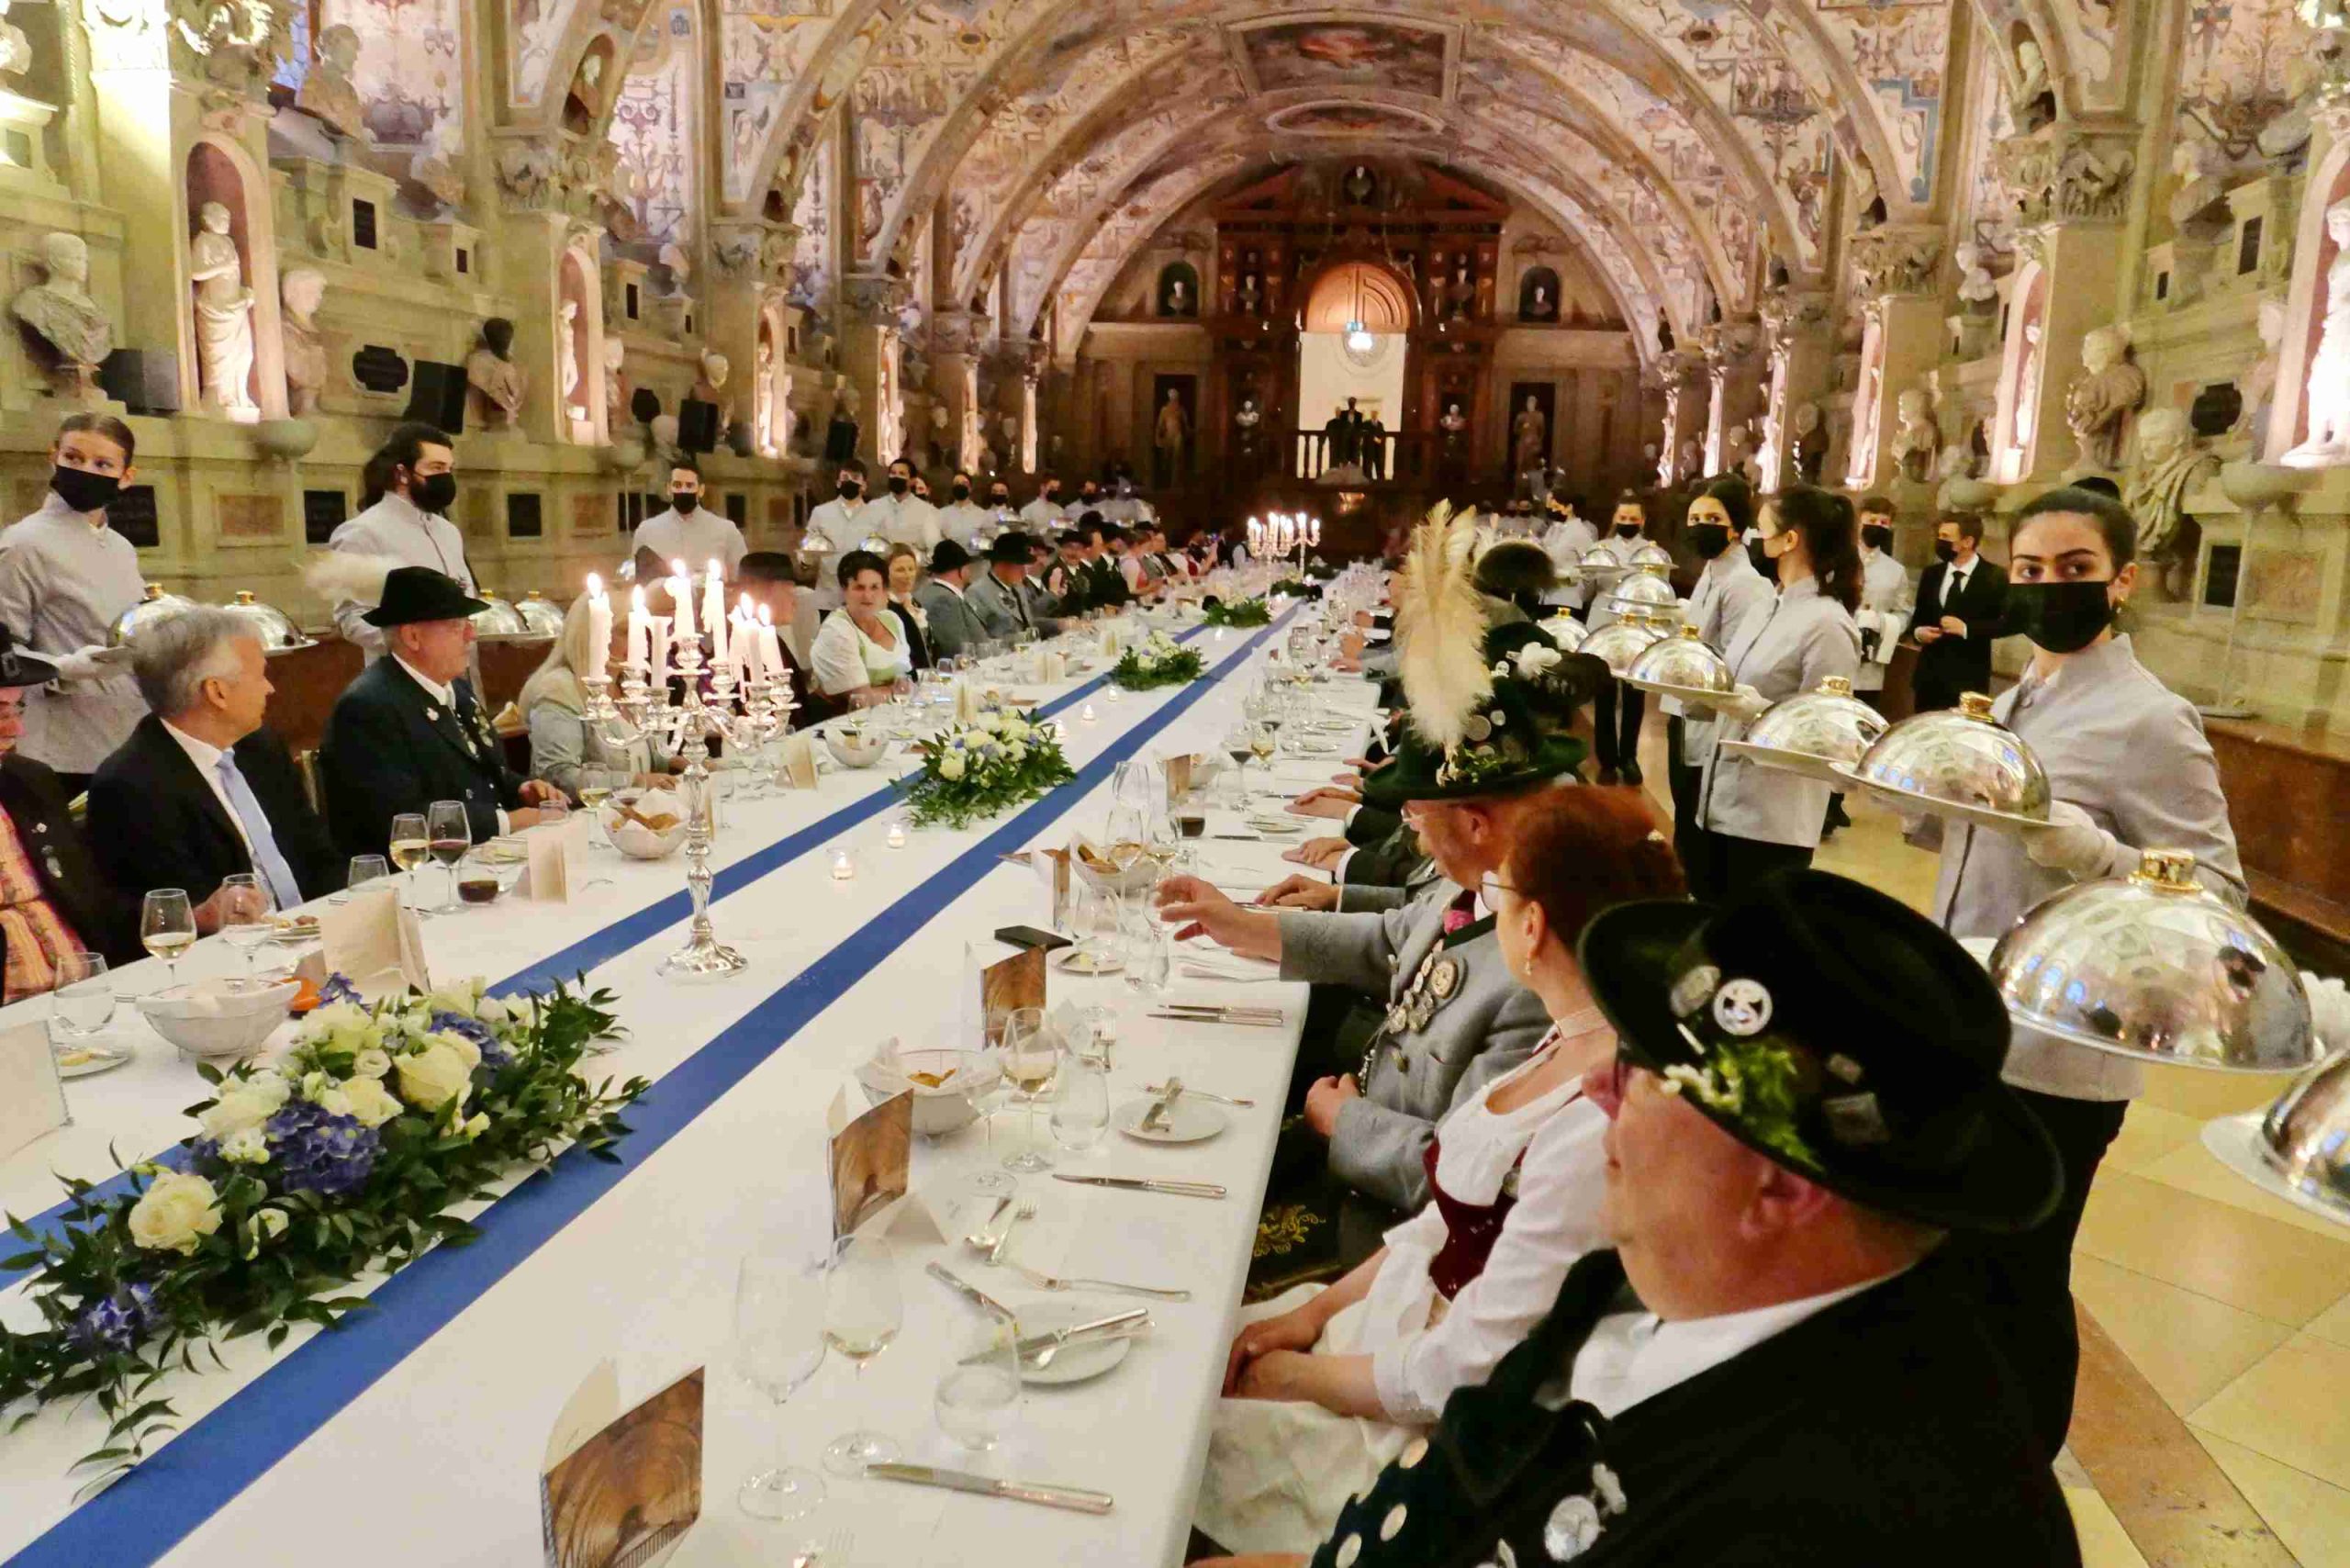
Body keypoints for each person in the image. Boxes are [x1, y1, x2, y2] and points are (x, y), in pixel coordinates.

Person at [1217, 873, 2080, 1568]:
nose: (1597, 1087)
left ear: (1782, 1189)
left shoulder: (1877, 1516)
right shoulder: (1643, 1278)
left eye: (1642, 1070)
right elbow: (1469, 1479)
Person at [1196, 789, 1683, 1556]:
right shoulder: (1566, 1037)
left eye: (1503, 893)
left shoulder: (1594, 1117)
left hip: (1419, 1407)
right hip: (1389, 1313)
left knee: (1191, 1434)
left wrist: (1299, 1378)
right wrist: (1313, 1314)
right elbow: (1438, 1221)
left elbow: (1469, 1366)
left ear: (1531, 925)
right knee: (1197, 1351)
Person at [1158, 532, 1594, 1255]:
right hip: (1355, 1114)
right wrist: (1242, 925)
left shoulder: (1538, 967)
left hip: (1382, 1226)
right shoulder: (1492, 881)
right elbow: (1394, 937)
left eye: (1420, 817)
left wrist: (1345, 1125)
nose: (1411, 831)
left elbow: (1473, 1183)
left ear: (1476, 823)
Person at [1920, 485, 2243, 1459]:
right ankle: (1961, 1456)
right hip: (1969, 1016)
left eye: (2074, 570)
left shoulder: (2151, 719)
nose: (2047, 587)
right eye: (2030, 569)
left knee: (2020, 1273)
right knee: (1961, 1262)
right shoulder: (2021, 695)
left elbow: (2219, 898)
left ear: (2121, 581)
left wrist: (2093, 850)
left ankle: (2018, 1472)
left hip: (2060, 1049)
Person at [88, 607, 341, 918]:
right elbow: (173, 910)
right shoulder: (133, 786)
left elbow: (316, 852)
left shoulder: (260, 748)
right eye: (260, 675)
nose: (270, 688)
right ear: (217, 691)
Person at [1683, 486, 1861, 898]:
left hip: (1770, 821)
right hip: (1719, 802)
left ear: (1789, 540)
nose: (1753, 540)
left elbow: (1825, 736)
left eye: (1761, 531)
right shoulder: (1768, 605)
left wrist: (1757, 711)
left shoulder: (1827, 624)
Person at [317, 567, 565, 857]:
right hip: (418, 871)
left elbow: (482, 770)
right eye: (456, 626)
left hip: (481, 856)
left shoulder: (455, 689)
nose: (471, 635)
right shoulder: (368, 707)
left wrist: (521, 788)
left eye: (468, 623)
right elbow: (400, 818)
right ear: (412, 637)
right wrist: (506, 822)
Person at [0, 413, 146, 788]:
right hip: (62, 747)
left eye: (102, 464)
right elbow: (3, 651)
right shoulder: (23, 544)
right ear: (54, 457)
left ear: (126, 476)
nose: (85, 471)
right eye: (74, 458)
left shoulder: (121, 548)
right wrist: (63, 667)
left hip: (126, 734)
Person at [0, 630, 137, 989]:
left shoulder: (30, 781)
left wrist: (194, 916)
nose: (15, 729)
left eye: (18, 707)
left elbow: (91, 901)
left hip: (90, 991)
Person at [1666, 480, 1771, 873]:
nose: (1700, 526)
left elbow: (1736, 661)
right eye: (1694, 518)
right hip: (1683, 706)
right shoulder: (1713, 570)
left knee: (1697, 824)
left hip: (1709, 716)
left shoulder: (1745, 582)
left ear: (1736, 527)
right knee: (1683, 812)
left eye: (1713, 518)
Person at [327, 422, 476, 663]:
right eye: (437, 467)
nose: (446, 477)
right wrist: (413, 643)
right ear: (402, 473)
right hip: (404, 673)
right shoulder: (362, 532)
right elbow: (351, 617)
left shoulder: (448, 531)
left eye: (449, 468)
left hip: (460, 670)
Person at [517, 593, 674, 802]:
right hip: (586, 815)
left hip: (638, 811)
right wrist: (636, 782)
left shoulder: (630, 687)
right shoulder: (559, 688)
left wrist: (687, 761)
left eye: (639, 630)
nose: (639, 641)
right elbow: (558, 775)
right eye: (625, 631)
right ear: (592, 634)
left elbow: (647, 759)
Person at [1907, 510, 2006, 711]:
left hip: (1968, 683)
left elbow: (2005, 623)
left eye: (1946, 537)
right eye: (1939, 536)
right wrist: (1919, 633)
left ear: (1967, 542)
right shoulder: (1932, 574)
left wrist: (1967, 629)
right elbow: (1918, 619)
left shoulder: (1994, 577)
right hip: (1929, 680)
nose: (1940, 541)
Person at [1586, 493, 1651, 785]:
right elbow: (1587, 590)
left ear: (1642, 520)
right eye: (1622, 517)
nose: (1627, 522)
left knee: (1635, 696)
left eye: (1633, 518)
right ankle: (1607, 761)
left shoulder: (1651, 552)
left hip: (1637, 626)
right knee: (1605, 694)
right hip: (1605, 624)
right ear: (1615, 518)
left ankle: (1630, 757)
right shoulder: (1600, 549)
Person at [736, 553, 834, 722]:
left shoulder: (772, 639)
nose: (794, 602)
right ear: (760, 591)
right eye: (789, 592)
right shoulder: (744, 648)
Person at [809, 550, 912, 706]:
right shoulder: (836, 630)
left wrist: (888, 691)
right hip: (843, 718)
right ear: (844, 590)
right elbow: (861, 700)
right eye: (859, 588)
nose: (867, 596)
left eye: (874, 587)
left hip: (893, 714)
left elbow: (908, 679)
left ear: (884, 590)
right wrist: (896, 691)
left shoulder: (892, 620)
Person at [629, 458, 745, 584]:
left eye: (689, 486)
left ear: (701, 490)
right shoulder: (646, 531)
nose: (683, 490)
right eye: (677, 485)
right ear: (668, 488)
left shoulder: (726, 531)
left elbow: (740, 579)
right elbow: (637, 581)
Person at [803, 466, 868, 609]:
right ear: (838, 483)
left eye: (855, 478)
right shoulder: (821, 512)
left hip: (863, 598)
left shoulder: (876, 515)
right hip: (827, 597)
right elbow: (809, 548)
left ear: (864, 485)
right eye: (845, 477)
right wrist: (806, 559)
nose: (850, 481)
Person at [914, 540, 989, 659]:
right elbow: (957, 649)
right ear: (961, 570)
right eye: (968, 568)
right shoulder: (945, 600)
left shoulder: (932, 593)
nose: (970, 572)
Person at [860, 456, 942, 552]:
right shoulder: (874, 506)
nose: (896, 477)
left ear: (913, 481)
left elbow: (933, 547)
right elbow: (865, 540)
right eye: (893, 473)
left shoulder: (927, 511)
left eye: (902, 474)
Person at [880, 543, 934, 672]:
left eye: (911, 569)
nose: (908, 575)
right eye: (900, 570)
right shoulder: (884, 607)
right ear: (885, 573)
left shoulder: (915, 603)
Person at [934, 471, 992, 549]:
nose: (960, 486)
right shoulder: (941, 514)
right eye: (956, 483)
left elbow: (989, 543)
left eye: (964, 483)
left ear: (970, 488)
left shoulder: (983, 514)